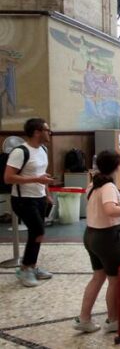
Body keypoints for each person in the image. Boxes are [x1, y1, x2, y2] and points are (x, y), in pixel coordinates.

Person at [73, 150, 120, 333]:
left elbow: (101, 201)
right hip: (107, 238)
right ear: (116, 166)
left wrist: (118, 193)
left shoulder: (93, 184)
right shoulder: (108, 187)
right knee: (114, 280)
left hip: (90, 235)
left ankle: (84, 318)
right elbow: (110, 210)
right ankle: (113, 320)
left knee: (98, 277)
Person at [4, 118, 55, 287]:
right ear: (37, 132)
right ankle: (25, 269)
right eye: (47, 130)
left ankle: (31, 267)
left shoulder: (43, 149)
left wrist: (47, 193)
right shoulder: (20, 152)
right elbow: (8, 178)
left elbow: (42, 174)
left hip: (39, 198)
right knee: (38, 231)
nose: (50, 133)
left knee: (37, 234)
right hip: (22, 200)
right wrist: (36, 179)